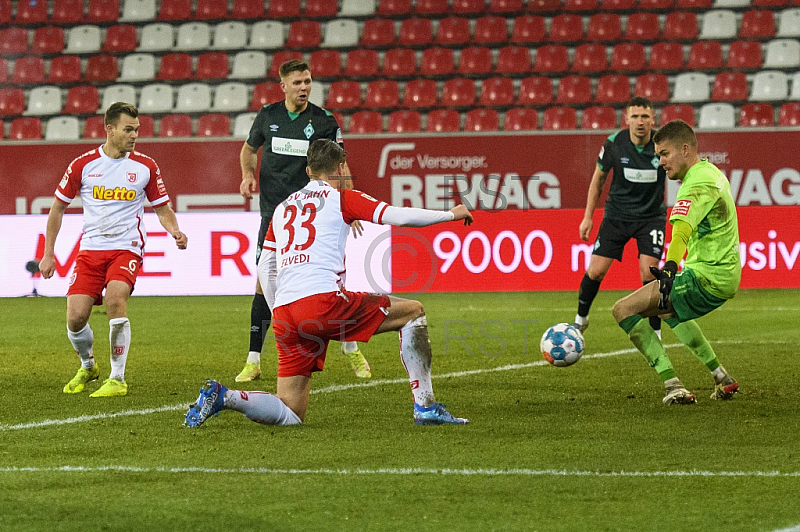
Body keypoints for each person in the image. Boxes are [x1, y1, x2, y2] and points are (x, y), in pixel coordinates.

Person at [185, 139, 472, 427]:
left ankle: (225, 397)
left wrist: (277, 310)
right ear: (341, 167)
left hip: (286, 312)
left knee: (291, 412)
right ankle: (426, 407)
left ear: (308, 170)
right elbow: (396, 215)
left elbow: (264, 266)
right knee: (413, 312)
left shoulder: (282, 208)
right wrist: (450, 214)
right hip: (323, 303)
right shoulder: (342, 198)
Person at [39, 102, 188, 397]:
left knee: (116, 300)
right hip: (91, 248)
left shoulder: (145, 166)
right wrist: (48, 253)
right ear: (110, 129)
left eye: (137, 130)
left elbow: (162, 208)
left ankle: (117, 378)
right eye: (128, 129)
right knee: (75, 318)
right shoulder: (83, 165)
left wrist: (174, 230)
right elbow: (57, 208)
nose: (134, 136)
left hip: (126, 247)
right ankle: (88, 365)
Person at [236, 59, 371, 383]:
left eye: (307, 81)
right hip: (274, 213)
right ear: (283, 85)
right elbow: (248, 149)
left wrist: (348, 204)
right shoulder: (268, 116)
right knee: (263, 281)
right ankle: (254, 360)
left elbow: (341, 165)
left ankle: (350, 347)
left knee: (329, 280)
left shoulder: (324, 121)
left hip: (316, 214)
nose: (303, 88)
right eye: (297, 82)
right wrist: (246, 174)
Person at [611, 119, 740, 405]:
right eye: (658, 156)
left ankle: (673, 385)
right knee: (670, 312)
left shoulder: (696, 183)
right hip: (723, 276)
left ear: (685, 149)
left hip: (706, 278)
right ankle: (722, 377)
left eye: (664, 154)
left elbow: (681, 230)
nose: (660, 162)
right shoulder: (711, 172)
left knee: (623, 310)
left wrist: (669, 268)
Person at [575, 96, 667, 338]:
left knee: (650, 274)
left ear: (652, 120)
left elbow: (682, 172)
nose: (640, 122)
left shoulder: (662, 144)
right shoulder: (615, 143)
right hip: (617, 215)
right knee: (595, 272)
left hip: (651, 217)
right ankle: (580, 320)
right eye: (635, 116)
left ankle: (656, 332)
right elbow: (598, 180)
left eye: (645, 116)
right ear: (626, 119)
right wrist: (588, 217)